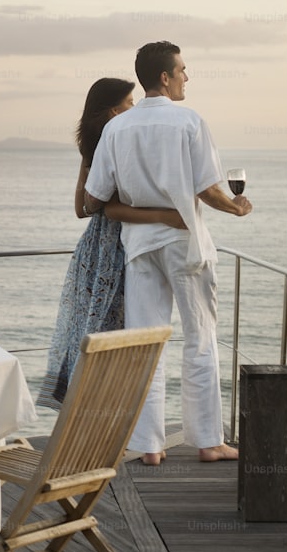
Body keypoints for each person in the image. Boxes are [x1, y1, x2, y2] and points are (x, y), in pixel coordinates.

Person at [86, 41, 252, 465]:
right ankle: (209, 442)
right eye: (182, 69)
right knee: (200, 340)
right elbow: (207, 189)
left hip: (139, 246)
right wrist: (235, 206)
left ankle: (149, 446)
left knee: (147, 344)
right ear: (164, 76)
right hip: (185, 245)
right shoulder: (189, 121)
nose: (186, 77)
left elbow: (95, 196)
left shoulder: (116, 128)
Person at [38, 78, 184, 410]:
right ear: (114, 110)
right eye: (130, 103)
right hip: (115, 249)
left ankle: (92, 415)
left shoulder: (94, 146)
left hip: (94, 248)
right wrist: (166, 215)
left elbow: (83, 208)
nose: (135, 108)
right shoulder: (113, 145)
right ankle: (109, 419)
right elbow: (106, 207)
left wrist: (97, 202)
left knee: (97, 332)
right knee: (117, 335)